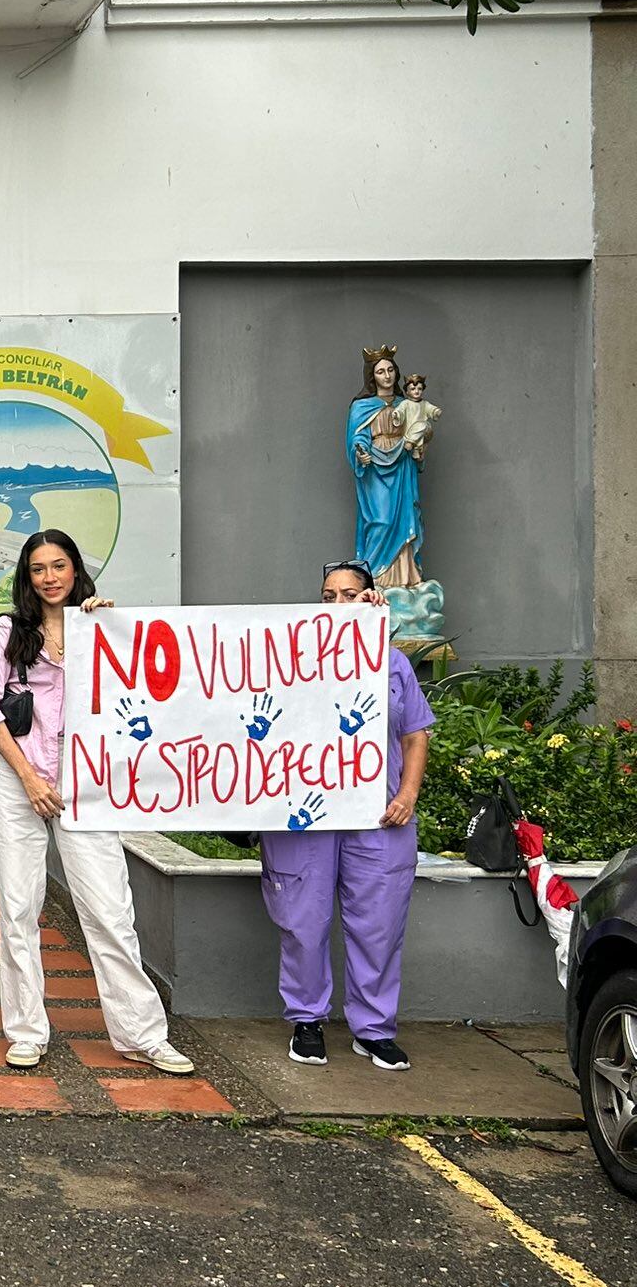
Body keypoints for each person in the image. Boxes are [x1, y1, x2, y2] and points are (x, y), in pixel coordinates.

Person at [0, 530, 194, 1075]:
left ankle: (142, 1033)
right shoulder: (8, 631)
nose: (50, 577)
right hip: (18, 782)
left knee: (110, 911)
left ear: (76, 570)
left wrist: (109, 628)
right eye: (39, 568)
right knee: (19, 910)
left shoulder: (100, 627)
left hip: (86, 784)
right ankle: (25, 1031)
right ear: (27, 575)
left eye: (60, 565)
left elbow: (142, 693)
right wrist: (28, 779)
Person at [258, 559, 434, 1071]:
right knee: (303, 920)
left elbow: (415, 733)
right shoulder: (288, 656)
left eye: (350, 594)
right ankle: (307, 1021)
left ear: (371, 599)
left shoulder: (392, 663)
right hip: (304, 814)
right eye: (328, 595)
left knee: (378, 923)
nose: (338, 604)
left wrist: (407, 794)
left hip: (379, 816)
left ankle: (373, 1029)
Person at [347, 346, 423, 589]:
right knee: (380, 520)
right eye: (381, 371)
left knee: (403, 519)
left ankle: (404, 580)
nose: (387, 376)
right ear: (373, 376)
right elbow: (357, 437)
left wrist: (420, 444)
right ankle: (375, 580)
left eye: (391, 370)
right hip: (376, 470)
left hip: (401, 465)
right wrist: (361, 452)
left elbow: (418, 430)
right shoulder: (362, 407)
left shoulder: (406, 403)